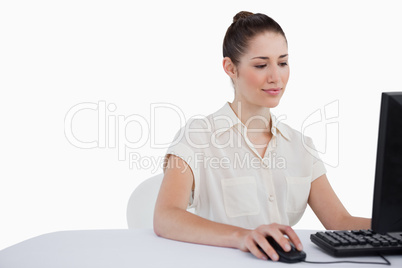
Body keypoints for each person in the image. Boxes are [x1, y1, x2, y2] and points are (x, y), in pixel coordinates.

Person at [153, 11, 371, 261]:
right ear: (230, 68)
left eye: (282, 62)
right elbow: (165, 216)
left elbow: (340, 221)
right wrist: (242, 236)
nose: (275, 77)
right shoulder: (198, 136)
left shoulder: (301, 146)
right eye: (260, 65)